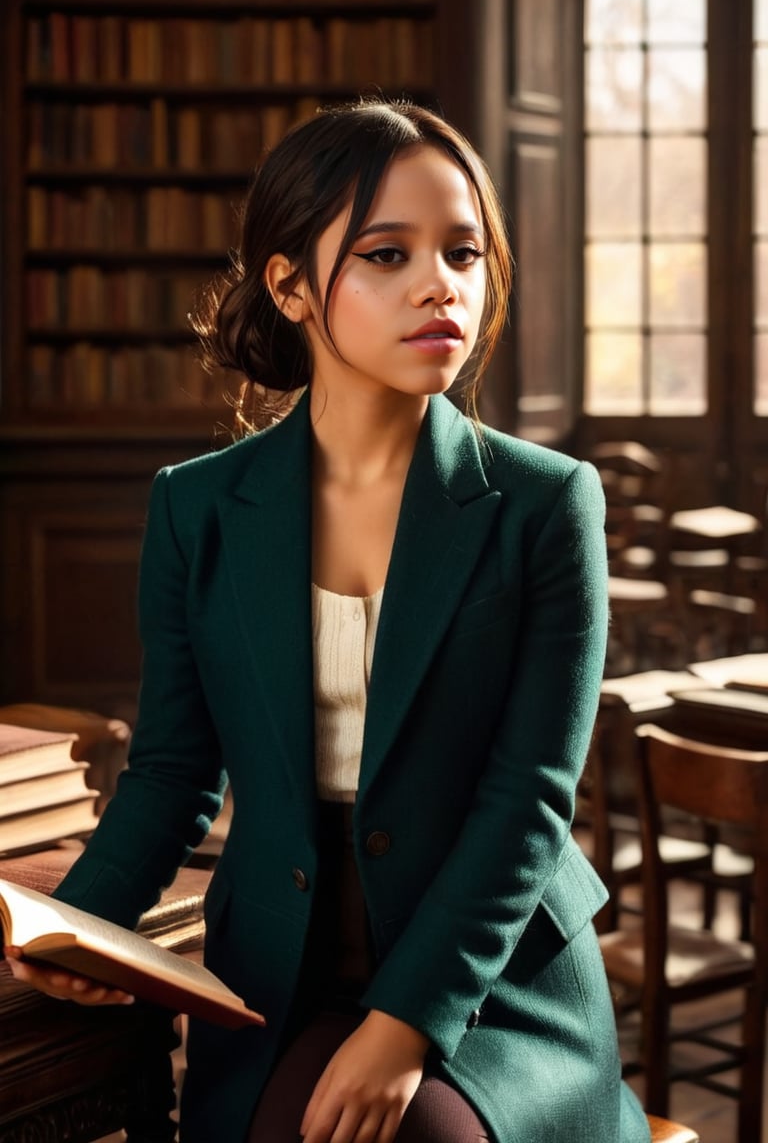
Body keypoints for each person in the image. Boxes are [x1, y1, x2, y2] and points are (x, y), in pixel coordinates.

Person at [4, 98, 650, 1143]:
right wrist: (82, 925)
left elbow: (529, 802)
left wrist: (405, 1026)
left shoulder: (546, 502)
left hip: (492, 979)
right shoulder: (198, 505)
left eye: (463, 252)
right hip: (282, 963)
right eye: (387, 254)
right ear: (291, 285)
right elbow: (173, 771)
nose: (442, 284)